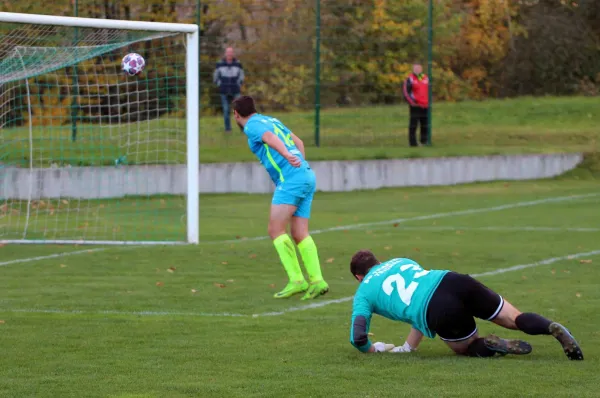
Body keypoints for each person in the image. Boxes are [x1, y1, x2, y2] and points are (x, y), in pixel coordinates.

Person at [348, 249, 584, 360]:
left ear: (359, 277)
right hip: (453, 280)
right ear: (378, 261)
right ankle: (552, 327)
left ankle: (491, 345)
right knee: (514, 318)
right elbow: (420, 292)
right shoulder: (401, 260)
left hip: (437, 307)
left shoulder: (363, 293)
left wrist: (371, 349)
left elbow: (358, 336)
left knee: (465, 347)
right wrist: (408, 347)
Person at [232, 95, 329, 300]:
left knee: (275, 230)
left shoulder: (251, 126)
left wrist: (287, 157)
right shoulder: (271, 119)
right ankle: (318, 281)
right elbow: (299, 142)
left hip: (292, 179)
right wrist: (300, 163)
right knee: (299, 232)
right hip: (306, 175)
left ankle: (297, 280)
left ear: (236, 114)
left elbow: (269, 138)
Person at [213, 47, 245, 132]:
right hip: (224, 90)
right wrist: (220, 84)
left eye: (231, 52)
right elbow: (215, 76)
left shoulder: (238, 63)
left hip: (235, 90)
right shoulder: (220, 64)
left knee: (238, 110)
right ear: (225, 53)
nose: (229, 54)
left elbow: (241, 75)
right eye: (228, 52)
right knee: (226, 110)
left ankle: (243, 128)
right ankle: (228, 129)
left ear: (233, 53)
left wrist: (239, 84)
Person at [402, 64, 429, 147]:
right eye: (415, 69)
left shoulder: (425, 78)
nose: (417, 70)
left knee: (425, 124)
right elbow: (406, 92)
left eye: (419, 68)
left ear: (421, 69)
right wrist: (412, 103)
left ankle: (424, 141)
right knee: (413, 124)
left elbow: (429, 90)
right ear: (413, 69)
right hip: (415, 105)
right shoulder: (410, 79)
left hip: (425, 105)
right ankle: (413, 143)